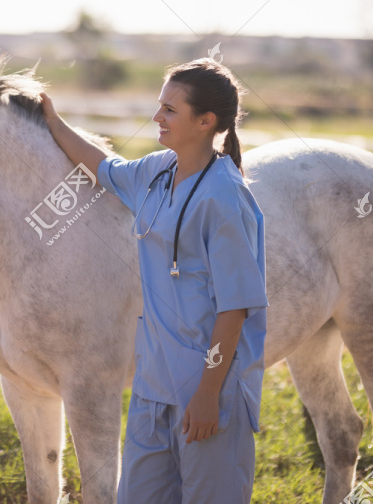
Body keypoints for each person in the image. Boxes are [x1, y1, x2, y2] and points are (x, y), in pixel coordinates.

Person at [40, 58, 268, 504]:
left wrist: (206, 394)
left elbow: (235, 309)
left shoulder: (225, 195)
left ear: (206, 122)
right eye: (159, 105)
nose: (157, 117)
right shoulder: (157, 171)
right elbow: (103, 167)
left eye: (169, 110)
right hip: (152, 386)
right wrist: (53, 121)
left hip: (208, 390)